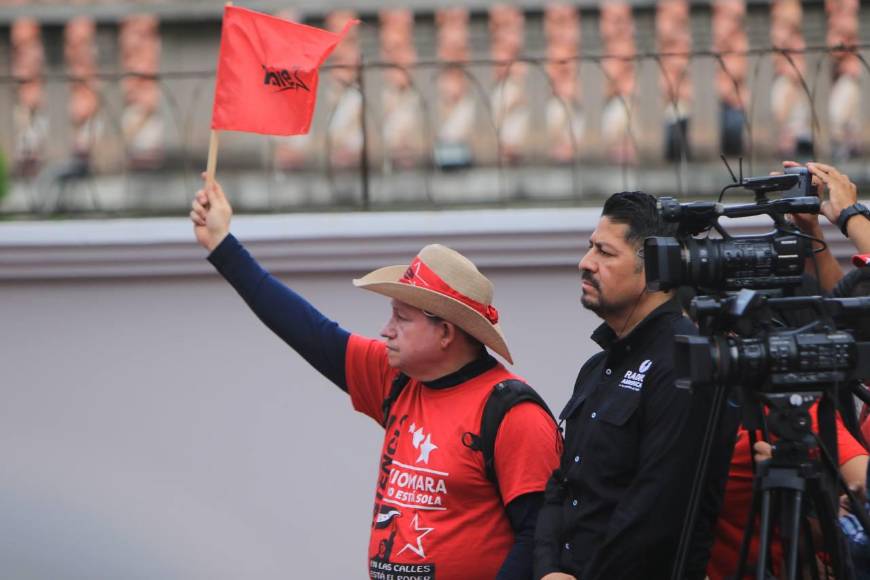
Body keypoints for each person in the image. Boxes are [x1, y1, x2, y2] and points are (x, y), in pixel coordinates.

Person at [189, 175, 561, 580]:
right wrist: (223, 245)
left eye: (401, 318)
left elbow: (540, 537)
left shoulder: (512, 414)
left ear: (446, 333)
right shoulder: (397, 378)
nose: (386, 330)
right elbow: (307, 329)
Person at [534, 191, 715, 580]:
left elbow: (656, 510)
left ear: (652, 269)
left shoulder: (684, 362)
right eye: (589, 248)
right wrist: (548, 569)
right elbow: (562, 483)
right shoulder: (597, 367)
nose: (586, 263)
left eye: (605, 252)